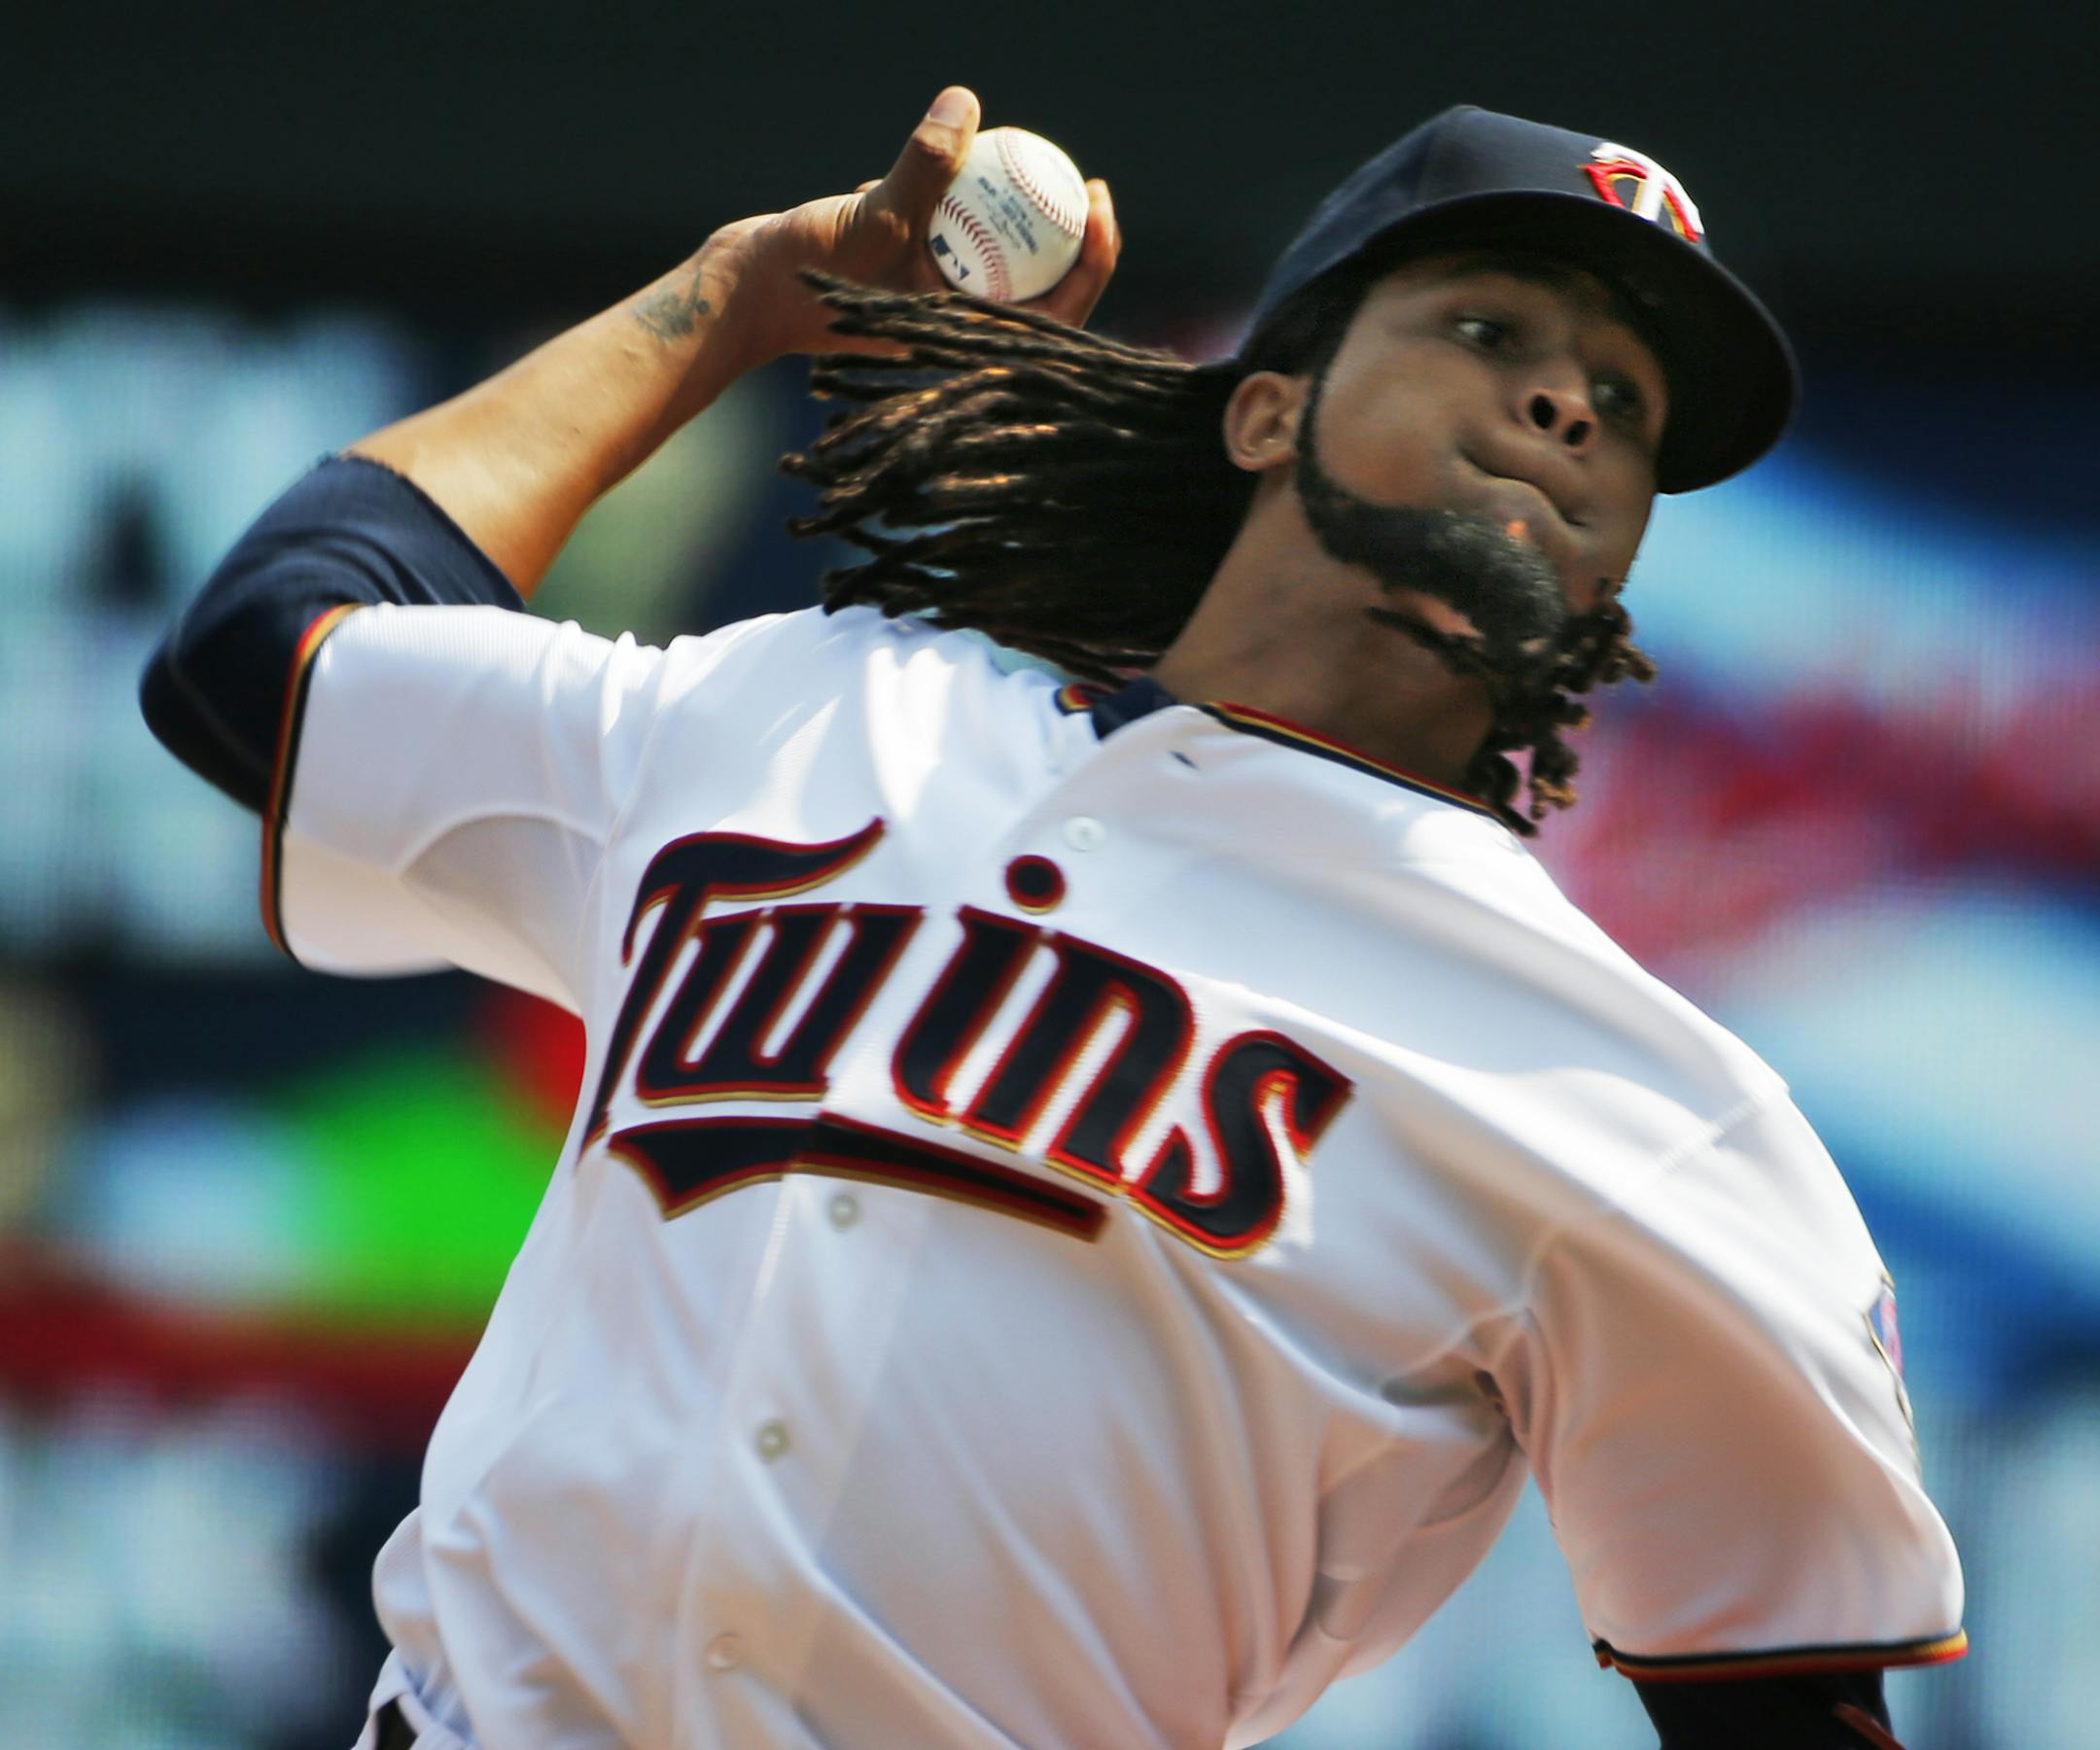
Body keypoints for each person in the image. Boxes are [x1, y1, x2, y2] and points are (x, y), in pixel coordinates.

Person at [142, 88, 1964, 1750]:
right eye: (1491, 331)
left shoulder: (1633, 1099)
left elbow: (1788, 1710)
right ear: (1265, 407)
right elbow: (267, 654)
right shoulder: (814, 710)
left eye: (1625, 409)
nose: (1565, 407)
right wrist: (732, 302)